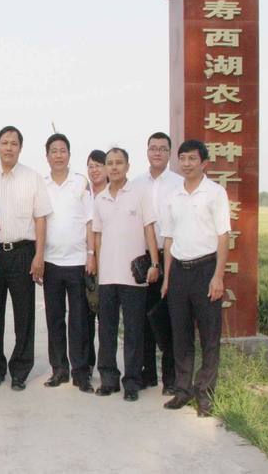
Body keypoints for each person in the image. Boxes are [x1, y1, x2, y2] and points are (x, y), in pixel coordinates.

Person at [161, 139, 231, 417]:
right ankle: (183, 390)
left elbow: (223, 236)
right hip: (179, 271)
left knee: (209, 337)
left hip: (206, 270)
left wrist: (218, 276)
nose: (187, 163)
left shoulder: (215, 193)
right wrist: (167, 278)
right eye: (183, 158)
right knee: (181, 335)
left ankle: (205, 394)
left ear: (204, 163)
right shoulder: (173, 196)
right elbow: (168, 239)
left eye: (192, 158)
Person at [0, 126, 52, 391]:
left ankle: (20, 371)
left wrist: (39, 255)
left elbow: (40, 218)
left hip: (23, 253)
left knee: (24, 316)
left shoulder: (32, 178)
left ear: (20, 148)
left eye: (14, 143)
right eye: (4, 143)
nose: (8, 147)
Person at [92, 148, 160, 402]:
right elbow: (98, 236)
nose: (114, 167)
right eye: (110, 163)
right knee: (106, 331)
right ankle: (108, 379)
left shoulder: (139, 193)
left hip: (133, 277)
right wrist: (98, 268)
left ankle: (132, 382)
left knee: (133, 331)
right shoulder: (100, 199)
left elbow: (149, 230)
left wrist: (155, 263)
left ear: (127, 166)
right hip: (108, 276)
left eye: (119, 162)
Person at [41, 134, 95, 393]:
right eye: (54, 151)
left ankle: (80, 372)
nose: (59, 155)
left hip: (77, 262)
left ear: (69, 155)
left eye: (63, 150)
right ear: (47, 156)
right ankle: (59, 370)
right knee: (54, 319)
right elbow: (39, 221)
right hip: (51, 262)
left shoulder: (81, 183)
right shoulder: (42, 185)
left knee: (79, 321)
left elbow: (90, 221)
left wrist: (91, 253)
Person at [132, 132, 182, 396]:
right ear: (147, 152)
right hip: (144, 258)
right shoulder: (136, 184)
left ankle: (170, 378)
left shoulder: (179, 184)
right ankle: (147, 373)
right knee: (144, 318)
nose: (158, 152)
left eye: (163, 148)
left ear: (170, 153)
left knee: (169, 318)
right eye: (153, 148)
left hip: (172, 255)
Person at [85, 149, 108, 374]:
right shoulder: (85, 194)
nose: (94, 170)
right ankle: (88, 363)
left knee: (106, 318)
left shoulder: (113, 194)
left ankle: (105, 365)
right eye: (90, 166)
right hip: (86, 263)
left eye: (98, 165)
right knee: (86, 317)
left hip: (109, 263)